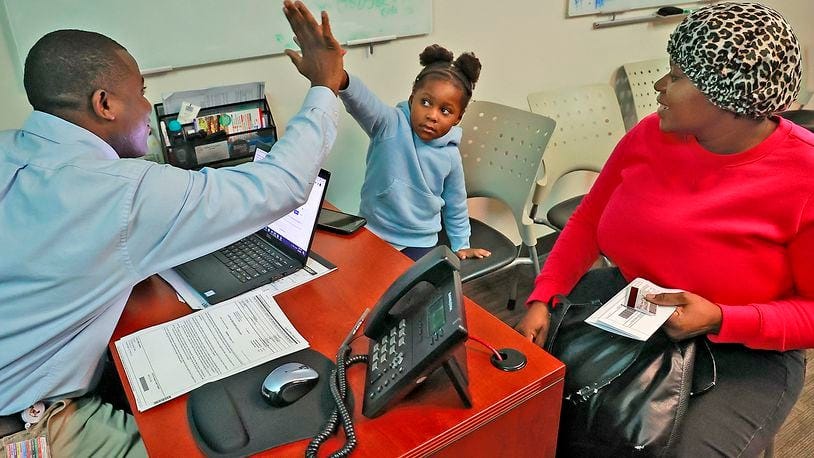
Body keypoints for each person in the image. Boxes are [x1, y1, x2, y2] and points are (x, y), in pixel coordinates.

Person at [0, 1, 344, 455]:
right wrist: (323, 85)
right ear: (104, 103)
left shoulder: (9, 149)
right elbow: (280, 185)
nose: (149, 106)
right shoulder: (119, 191)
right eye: (142, 91)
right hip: (29, 424)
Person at [516, 2, 813, 456]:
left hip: (743, 352)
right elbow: (590, 219)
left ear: (727, 97)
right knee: (528, 413)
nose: (659, 86)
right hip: (631, 308)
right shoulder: (649, 136)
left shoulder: (804, 173)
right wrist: (544, 295)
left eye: (675, 75)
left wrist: (721, 317)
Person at [337, 44, 492, 261]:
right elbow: (363, 102)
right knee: (362, 289)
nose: (432, 115)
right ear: (412, 99)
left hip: (420, 241)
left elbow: (455, 205)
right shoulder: (389, 124)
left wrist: (461, 245)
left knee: (417, 292)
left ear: (458, 118)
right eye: (426, 102)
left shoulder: (450, 156)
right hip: (373, 232)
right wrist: (340, 77)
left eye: (445, 111)